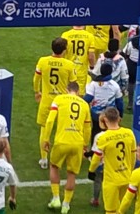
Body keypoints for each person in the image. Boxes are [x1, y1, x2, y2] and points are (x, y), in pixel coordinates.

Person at [42, 82, 92, 214]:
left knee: (54, 166)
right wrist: (85, 145)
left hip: (62, 141)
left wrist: (46, 138)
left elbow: (50, 120)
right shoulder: (84, 105)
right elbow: (88, 128)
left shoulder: (59, 99)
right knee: (71, 174)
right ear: (78, 91)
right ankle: (66, 205)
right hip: (77, 143)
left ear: (66, 90)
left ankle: (56, 198)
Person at [33, 38, 76, 169]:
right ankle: (62, 157)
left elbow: (36, 79)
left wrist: (37, 91)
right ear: (64, 50)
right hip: (63, 102)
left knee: (44, 129)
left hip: (47, 100)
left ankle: (44, 159)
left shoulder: (43, 61)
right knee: (63, 129)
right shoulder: (69, 65)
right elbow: (73, 84)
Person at [89, 107, 136, 214]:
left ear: (105, 119)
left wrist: (91, 170)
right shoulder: (129, 133)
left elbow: (96, 158)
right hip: (126, 177)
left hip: (111, 180)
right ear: (118, 118)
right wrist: (130, 171)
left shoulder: (103, 137)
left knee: (110, 210)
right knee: (121, 210)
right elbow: (133, 156)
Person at [61, 25, 96, 95]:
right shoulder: (90, 36)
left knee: (66, 93)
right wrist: (92, 66)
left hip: (68, 70)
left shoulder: (65, 35)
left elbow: (61, 53)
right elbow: (91, 56)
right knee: (79, 94)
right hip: (81, 71)